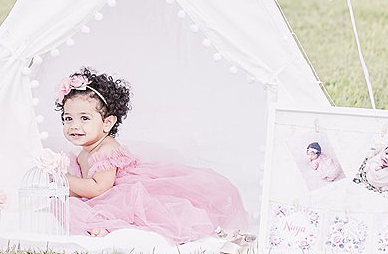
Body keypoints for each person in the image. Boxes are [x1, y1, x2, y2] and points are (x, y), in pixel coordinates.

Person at [55, 68, 247, 243]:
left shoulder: (106, 150)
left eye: (84, 118)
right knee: (70, 207)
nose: (74, 125)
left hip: (128, 194)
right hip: (111, 198)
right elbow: (85, 188)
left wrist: (64, 180)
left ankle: (113, 228)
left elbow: (98, 189)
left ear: (107, 123)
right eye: (68, 118)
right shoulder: (84, 153)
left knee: (138, 213)